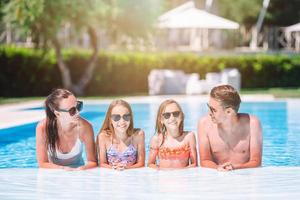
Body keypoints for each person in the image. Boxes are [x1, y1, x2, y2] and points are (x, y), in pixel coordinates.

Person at [198, 85, 263, 171]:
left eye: (213, 110)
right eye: (208, 107)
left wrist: (234, 168)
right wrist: (218, 168)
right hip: (217, 176)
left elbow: (256, 161)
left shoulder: (252, 123)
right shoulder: (204, 124)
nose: (209, 113)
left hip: (244, 176)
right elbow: (205, 161)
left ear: (229, 112)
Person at [36, 88, 97, 170]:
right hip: (53, 172)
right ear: (57, 113)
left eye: (78, 106)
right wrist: (63, 169)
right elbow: (43, 164)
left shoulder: (85, 127)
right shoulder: (43, 128)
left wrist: (80, 169)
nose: (77, 112)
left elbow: (92, 162)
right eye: (72, 110)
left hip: (77, 170)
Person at [148, 99, 197, 169]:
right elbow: (150, 164)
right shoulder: (157, 139)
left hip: (183, 177)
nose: (172, 118)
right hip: (164, 177)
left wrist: (181, 172)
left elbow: (194, 164)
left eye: (176, 114)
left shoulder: (189, 137)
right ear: (161, 120)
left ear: (182, 116)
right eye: (167, 115)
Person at [97, 99, 145, 170]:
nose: (122, 121)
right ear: (110, 120)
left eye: (126, 117)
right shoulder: (103, 137)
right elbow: (102, 163)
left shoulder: (138, 135)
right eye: (116, 117)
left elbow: (141, 163)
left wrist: (127, 168)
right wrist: (114, 168)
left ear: (130, 118)